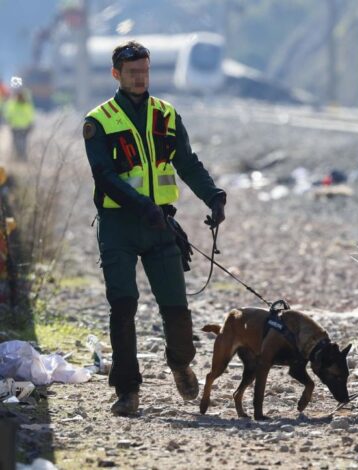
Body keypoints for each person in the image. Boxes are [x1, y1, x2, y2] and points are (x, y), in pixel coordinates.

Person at [82, 41, 226, 416]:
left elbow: (187, 163)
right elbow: (105, 176)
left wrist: (214, 196)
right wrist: (142, 206)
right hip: (118, 225)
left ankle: (180, 363)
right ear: (116, 74)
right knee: (123, 305)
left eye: (145, 71)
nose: (140, 78)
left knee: (176, 308)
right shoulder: (98, 121)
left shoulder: (166, 115)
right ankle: (127, 390)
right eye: (132, 73)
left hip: (161, 224)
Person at [3, 88, 35, 159]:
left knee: (18, 142)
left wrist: (8, 120)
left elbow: (8, 114)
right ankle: (21, 156)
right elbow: (31, 115)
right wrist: (31, 123)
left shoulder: (13, 104)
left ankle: (19, 156)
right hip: (22, 127)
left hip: (17, 126)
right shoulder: (27, 105)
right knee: (22, 142)